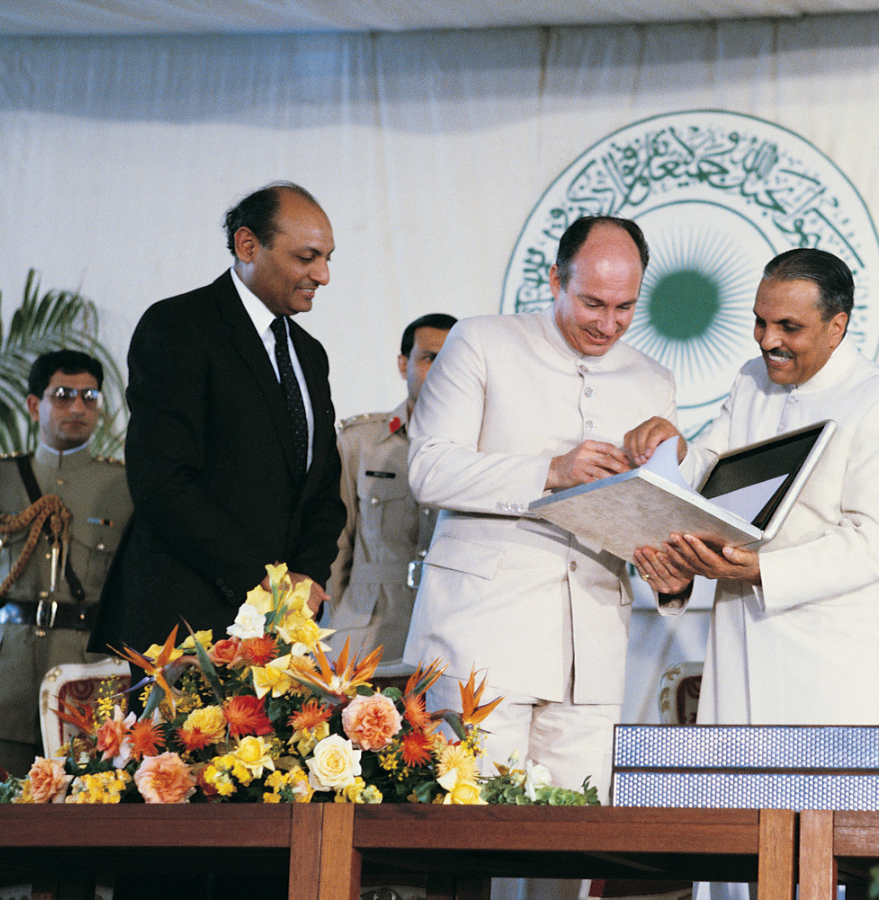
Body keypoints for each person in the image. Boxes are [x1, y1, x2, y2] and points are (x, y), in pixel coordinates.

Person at [404, 215, 676, 796]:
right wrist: (551, 472)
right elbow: (429, 468)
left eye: (625, 308)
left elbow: (641, 512)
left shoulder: (654, 379)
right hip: (480, 638)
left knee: (573, 840)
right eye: (592, 303)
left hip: (594, 651)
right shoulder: (482, 340)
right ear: (555, 278)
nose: (608, 324)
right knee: (467, 833)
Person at [625, 248, 879, 727]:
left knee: (838, 798)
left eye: (789, 327)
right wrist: (674, 453)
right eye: (760, 322)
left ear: (837, 326)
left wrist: (762, 569)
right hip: (744, 634)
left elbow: (875, 544)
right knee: (742, 795)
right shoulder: (751, 381)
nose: (768, 341)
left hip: (842, 651)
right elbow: (711, 469)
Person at [90, 182, 345, 657]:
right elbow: (162, 483)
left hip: (281, 631)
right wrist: (267, 583)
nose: (323, 275)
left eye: (328, 257)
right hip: (185, 625)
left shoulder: (310, 355)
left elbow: (323, 489)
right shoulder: (179, 327)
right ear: (248, 245)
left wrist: (303, 583)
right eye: (307, 257)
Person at [0, 350, 132, 777]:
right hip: (8, 674)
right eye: (63, 395)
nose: (78, 407)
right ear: (35, 405)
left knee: (81, 807)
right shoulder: (4, 478)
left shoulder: (125, 487)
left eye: (89, 397)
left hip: (87, 673)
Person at [326, 312, 457, 658]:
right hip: (367, 630)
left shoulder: (484, 450)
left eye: (453, 360)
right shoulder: (360, 443)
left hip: (451, 630)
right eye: (430, 358)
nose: (443, 370)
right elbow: (336, 546)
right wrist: (338, 625)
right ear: (404, 364)